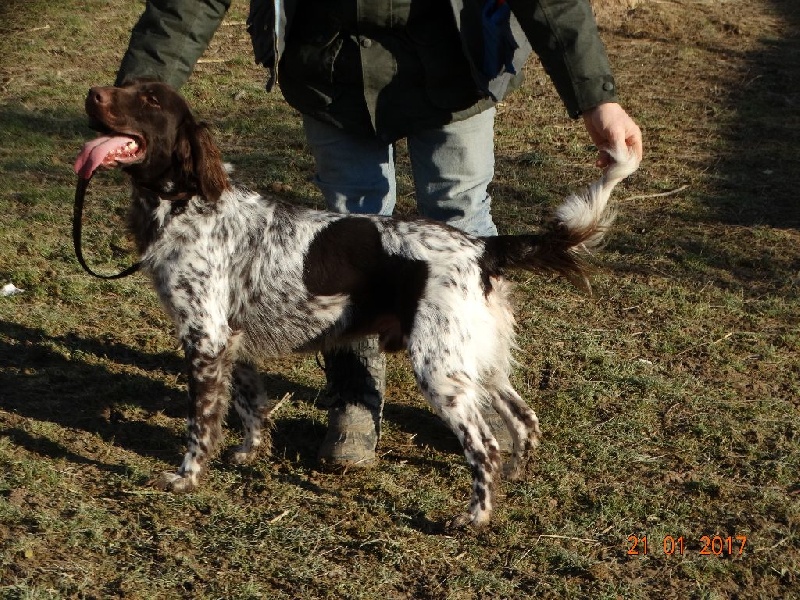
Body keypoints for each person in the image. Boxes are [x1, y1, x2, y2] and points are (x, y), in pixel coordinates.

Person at [115, 0, 643, 468]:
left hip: (454, 63)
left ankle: (476, 390)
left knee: (461, 231)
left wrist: (596, 93)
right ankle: (355, 398)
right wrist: (134, 98)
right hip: (332, 70)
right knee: (343, 238)